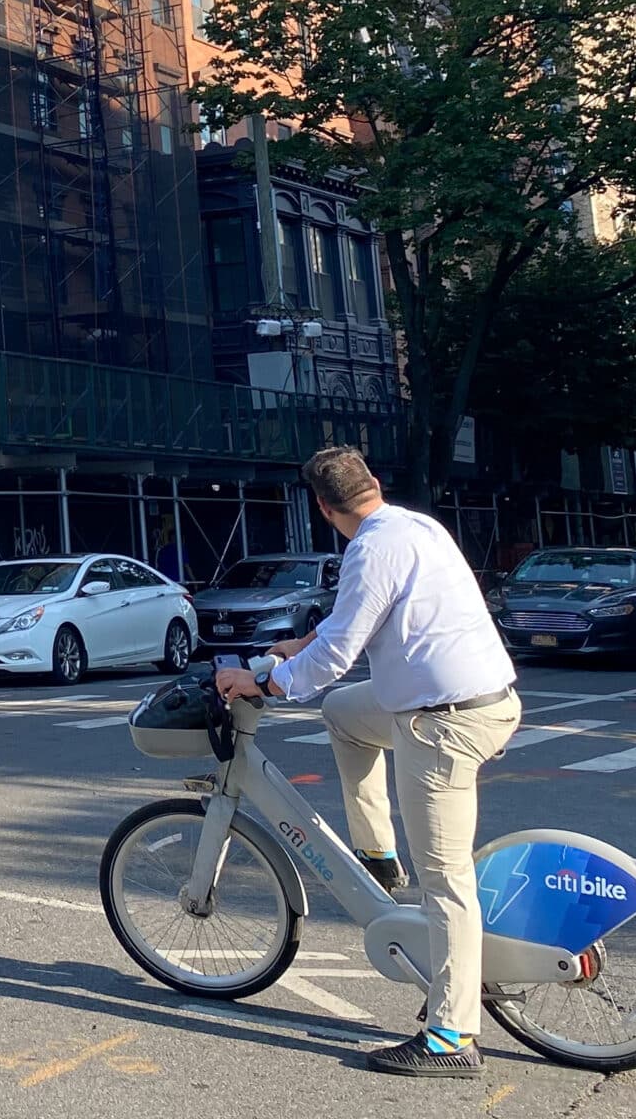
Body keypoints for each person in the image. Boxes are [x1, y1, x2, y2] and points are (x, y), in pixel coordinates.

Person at [215, 446, 521, 1077]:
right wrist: (289, 649)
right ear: (374, 485)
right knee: (346, 714)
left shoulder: (369, 549)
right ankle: (378, 858)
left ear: (324, 509)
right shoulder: (414, 525)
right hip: (478, 700)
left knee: (446, 877)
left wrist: (262, 684)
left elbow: (333, 659)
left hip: (444, 723)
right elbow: (348, 626)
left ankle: (453, 1037)